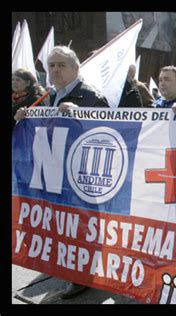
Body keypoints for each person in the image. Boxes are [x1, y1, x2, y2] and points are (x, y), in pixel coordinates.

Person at [15, 45, 109, 299]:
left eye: (61, 65)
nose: (55, 70)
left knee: (82, 224)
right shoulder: (50, 95)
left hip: (81, 175)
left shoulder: (90, 96)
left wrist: (79, 116)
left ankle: (83, 276)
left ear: (76, 69)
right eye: (51, 65)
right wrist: (26, 117)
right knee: (63, 224)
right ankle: (71, 269)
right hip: (57, 172)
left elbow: (106, 131)